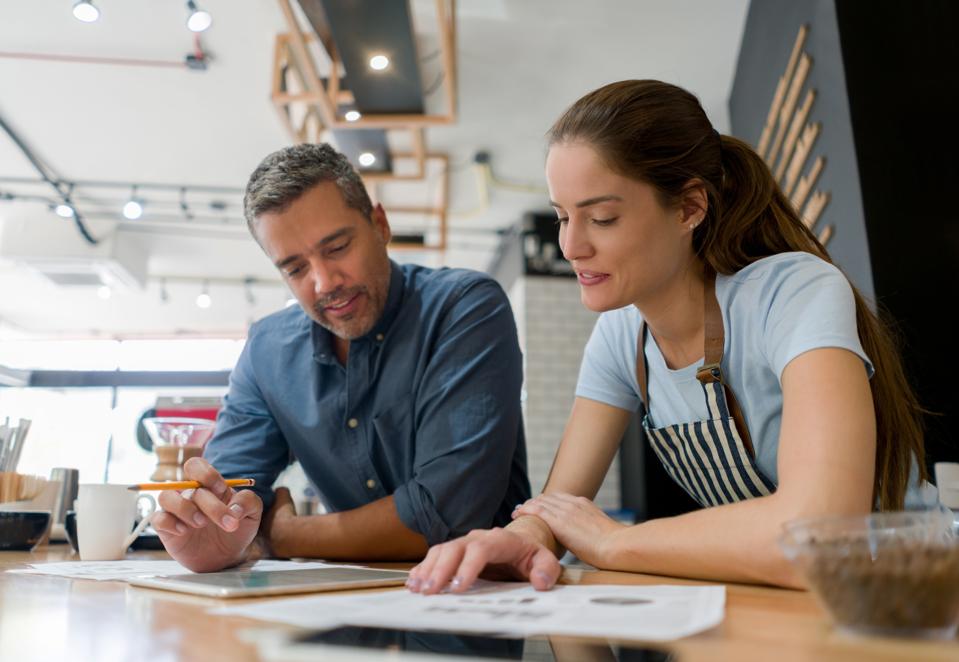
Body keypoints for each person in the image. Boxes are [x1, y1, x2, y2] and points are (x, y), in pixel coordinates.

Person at [406, 79, 928, 592]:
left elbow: (823, 538)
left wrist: (613, 543)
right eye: (563, 216)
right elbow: (560, 506)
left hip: (906, 594)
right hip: (779, 604)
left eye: (602, 218)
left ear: (689, 208)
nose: (570, 245)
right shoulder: (619, 335)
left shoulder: (792, 292)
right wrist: (521, 536)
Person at [152, 143, 530, 572]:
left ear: (380, 225)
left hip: (482, 601)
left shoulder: (463, 308)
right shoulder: (266, 351)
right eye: (295, 268)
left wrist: (283, 534)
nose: (325, 282)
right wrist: (212, 532)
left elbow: (445, 515)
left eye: (336, 248)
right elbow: (229, 498)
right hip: (349, 611)